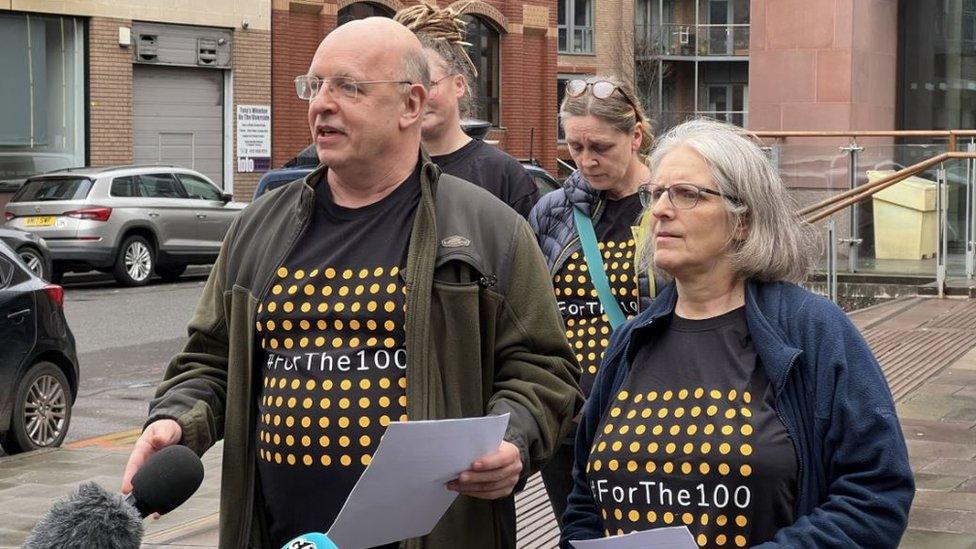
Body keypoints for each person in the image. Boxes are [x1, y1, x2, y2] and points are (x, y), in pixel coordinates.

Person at [120, 17, 583, 549]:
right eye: (314, 86)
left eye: (348, 87)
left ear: (411, 104)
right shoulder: (258, 228)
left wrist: (514, 437)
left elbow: (544, 368)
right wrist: (177, 421)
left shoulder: (488, 230)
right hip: (275, 535)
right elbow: (209, 359)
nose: (321, 103)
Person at [561, 119, 915, 548]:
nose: (660, 210)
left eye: (687, 194)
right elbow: (584, 497)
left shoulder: (815, 331)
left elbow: (875, 494)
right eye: (655, 194)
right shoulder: (632, 340)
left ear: (743, 220)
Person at [528, 75, 658, 527]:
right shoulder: (554, 211)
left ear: (635, 135)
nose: (586, 160)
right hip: (570, 416)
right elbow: (531, 311)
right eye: (575, 147)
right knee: (577, 529)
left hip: (645, 413)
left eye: (600, 147)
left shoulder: (667, 205)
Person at [395, 1, 540, 218]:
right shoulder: (382, 170)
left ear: (459, 85)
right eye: (405, 87)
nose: (418, 97)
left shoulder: (504, 176)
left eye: (429, 84)